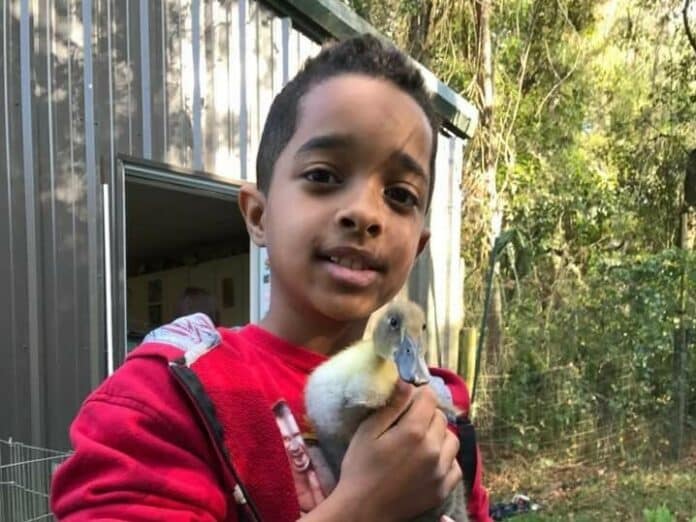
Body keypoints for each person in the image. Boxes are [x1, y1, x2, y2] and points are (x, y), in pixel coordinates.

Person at [50, 34, 492, 521]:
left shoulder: (438, 412)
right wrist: (361, 507)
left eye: (401, 195)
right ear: (258, 216)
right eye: (324, 175)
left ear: (418, 247)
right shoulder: (166, 399)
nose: (365, 213)